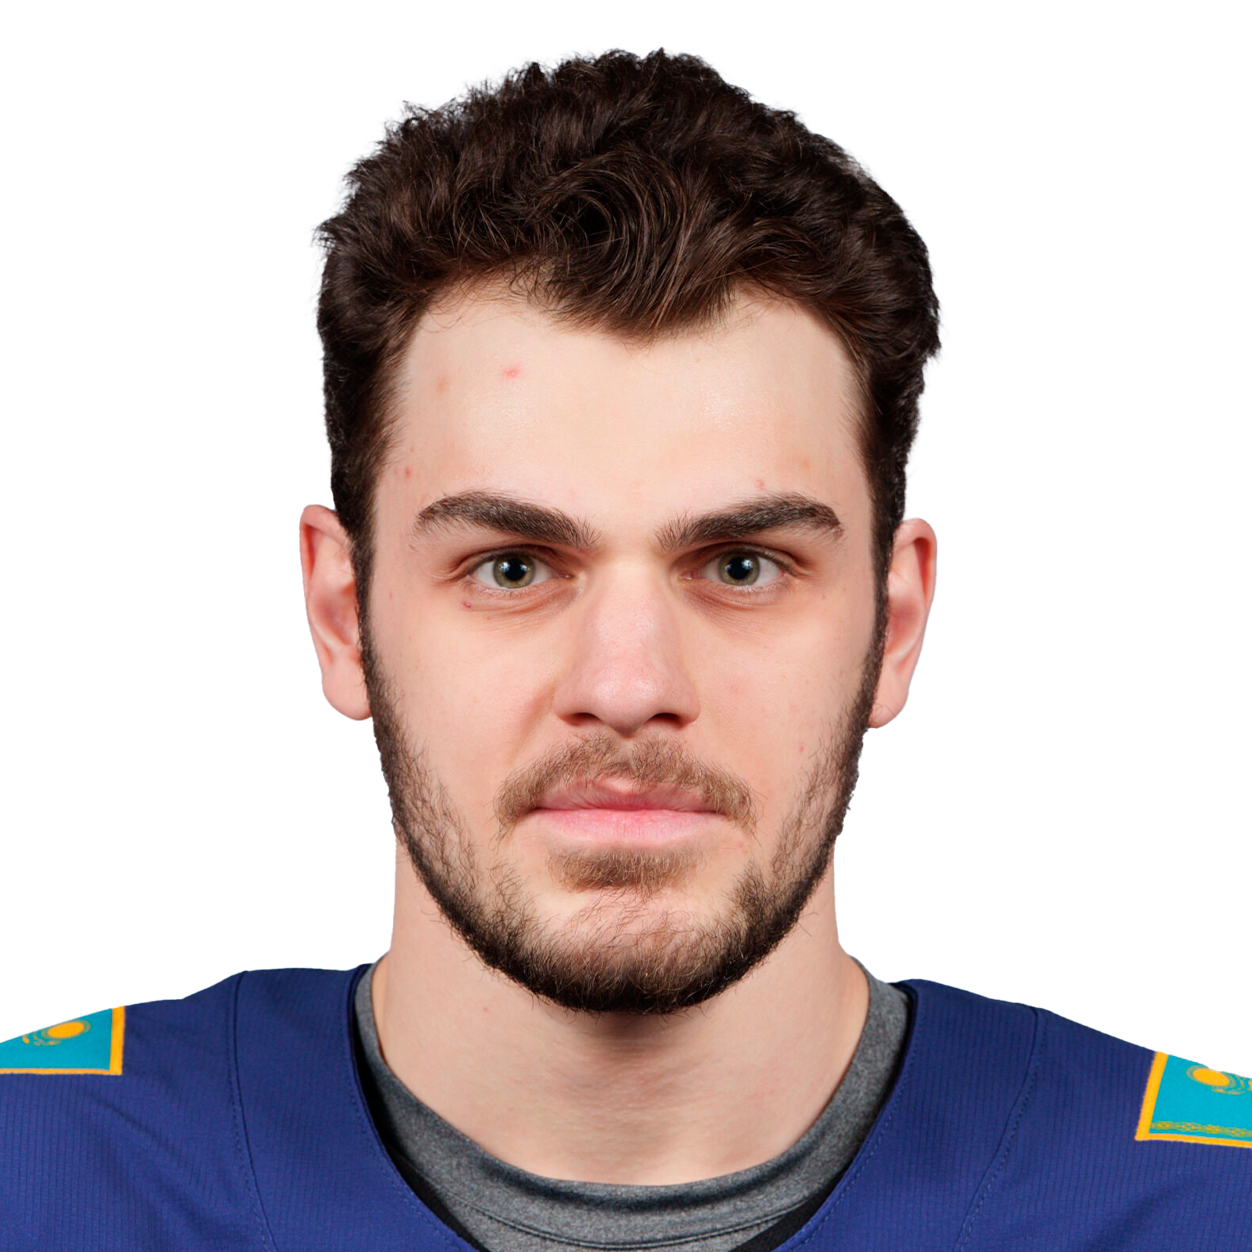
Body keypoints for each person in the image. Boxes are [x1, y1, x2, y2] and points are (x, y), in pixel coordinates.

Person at [2, 48, 1248, 1251]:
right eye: (512, 567)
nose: (628, 685)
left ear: (894, 623)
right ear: (342, 613)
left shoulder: (1199, 1207)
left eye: (742, 565)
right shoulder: (42, 1173)